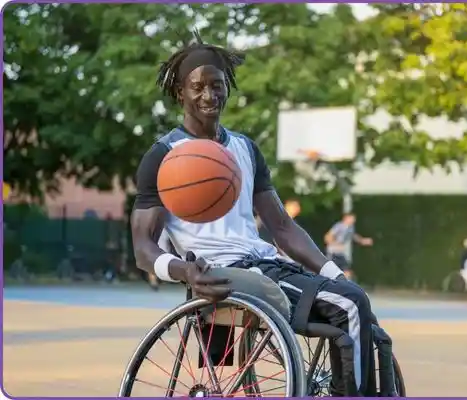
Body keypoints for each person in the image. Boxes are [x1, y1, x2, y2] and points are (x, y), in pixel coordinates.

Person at [130, 32, 379, 396]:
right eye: (197, 87)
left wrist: (333, 272)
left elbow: (281, 226)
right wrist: (185, 271)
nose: (209, 95)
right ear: (180, 92)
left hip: (264, 262)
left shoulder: (245, 149)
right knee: (350, 305)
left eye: (217, 86)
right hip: (222, 272)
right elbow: (142, 248)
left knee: (350, 299)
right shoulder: (164, 155)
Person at [324, 213, 373, 280]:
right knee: (331, 272)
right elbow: (327, 237)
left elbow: (354, 236)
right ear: (345, 218)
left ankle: (345, 288)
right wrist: (335, 244)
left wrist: (363, 241)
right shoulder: (339, 226)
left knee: (347, 272)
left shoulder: (351, 228)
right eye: (351, 219)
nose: (353, 221)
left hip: (340, 254)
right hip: (333, 253)